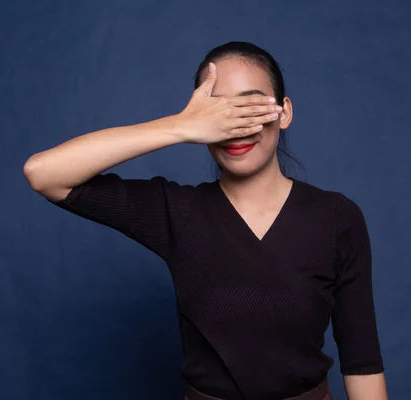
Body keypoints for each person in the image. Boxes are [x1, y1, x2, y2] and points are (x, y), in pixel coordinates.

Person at [23, 41, 388, 400]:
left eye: (250, 105)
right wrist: (180, 127)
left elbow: (362, 363)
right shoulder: (179, 213)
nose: (236, 125)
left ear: (284, 112)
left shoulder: (337, 218)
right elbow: (44, 173)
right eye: (219, 112)